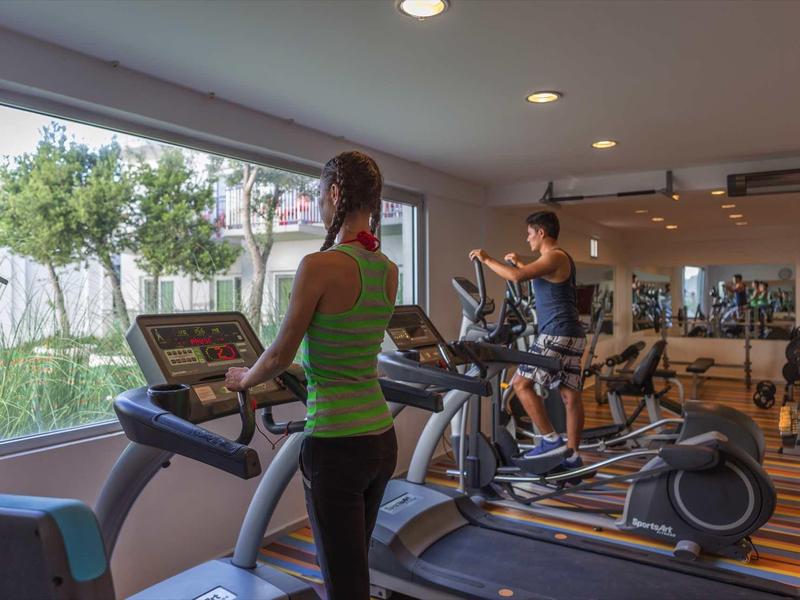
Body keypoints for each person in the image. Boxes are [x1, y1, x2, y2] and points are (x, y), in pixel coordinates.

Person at [224, 151, 398, 600]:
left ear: (335, 194)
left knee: (343, 584)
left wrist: (245, 380)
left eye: (321, 196)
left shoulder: (319, 266)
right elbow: (350, 346)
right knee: (354, 563)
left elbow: (280, 354)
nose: (321, 204)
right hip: (381, 439)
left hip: (337, 446)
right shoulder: (388, 271)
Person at [468, 210, 586, 475]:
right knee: (570, 396)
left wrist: (486, 259)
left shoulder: (554, 256)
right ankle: (573, 457)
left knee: (520, 384)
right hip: (571, 332)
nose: (527, 238)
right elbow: (533, 275)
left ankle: (550, 441)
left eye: (530, 233)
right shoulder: (554, 259)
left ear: (541, 233)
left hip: (556, 333)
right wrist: (520, 263)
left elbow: (517, 278)